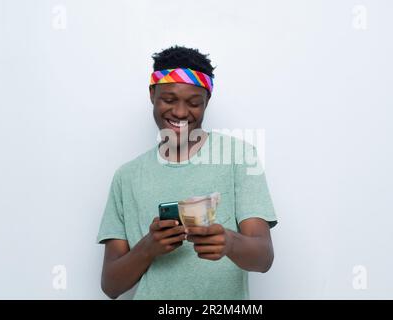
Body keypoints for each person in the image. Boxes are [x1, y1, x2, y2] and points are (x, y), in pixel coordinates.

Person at [97, 45, 277, 299]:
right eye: (169, 100)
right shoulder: (126, 177)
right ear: (152, 94)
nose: (180, 112)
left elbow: (264, 258)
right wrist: (148, 248)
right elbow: (111, 286)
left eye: (194, 103)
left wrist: (229, 242)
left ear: (207, 101)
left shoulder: (240, 157)